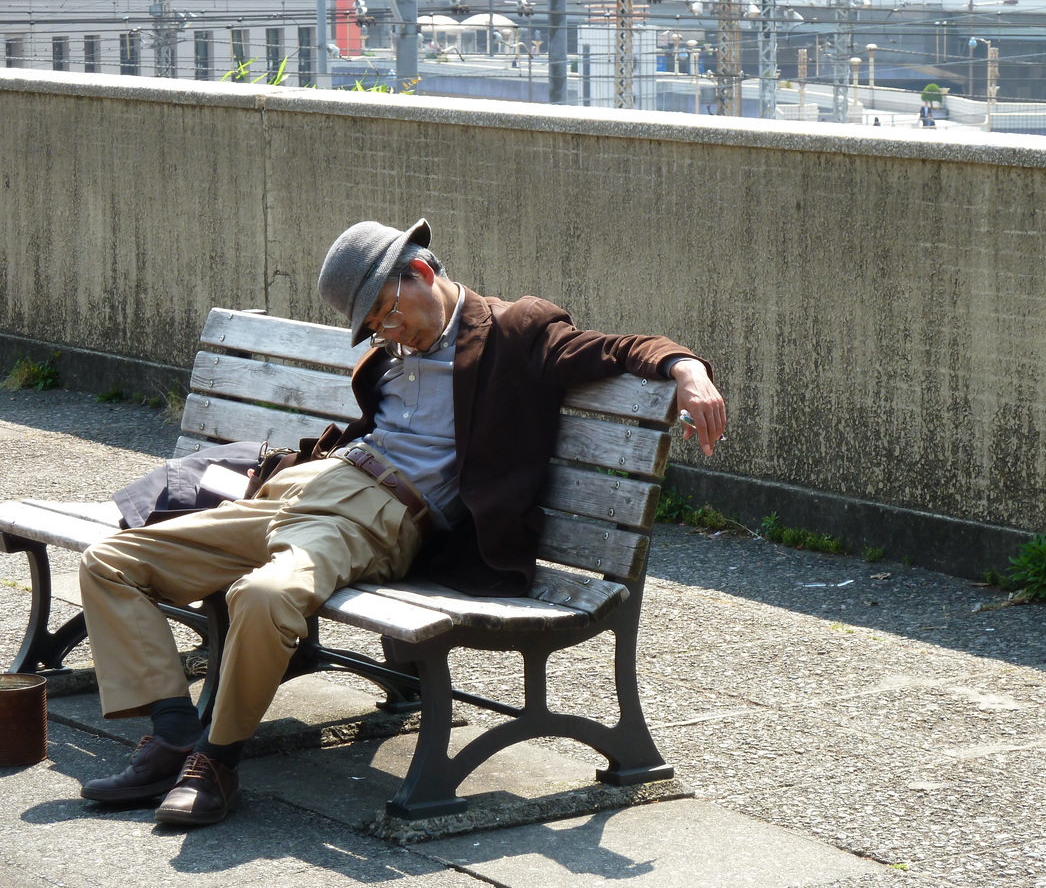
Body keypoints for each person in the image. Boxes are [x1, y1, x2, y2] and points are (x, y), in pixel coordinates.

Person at [76, 218, 726, 827]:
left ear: (419, 270)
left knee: (265, 596)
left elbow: (616, 348)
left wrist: (687, 371)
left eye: (389, 313)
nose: (391, 332)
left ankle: (214, 764)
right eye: (376, 327)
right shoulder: (389, 359)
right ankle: (171, 735)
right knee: (112, 561)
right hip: (304, 488)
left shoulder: (514, 331)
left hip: (376, 515)